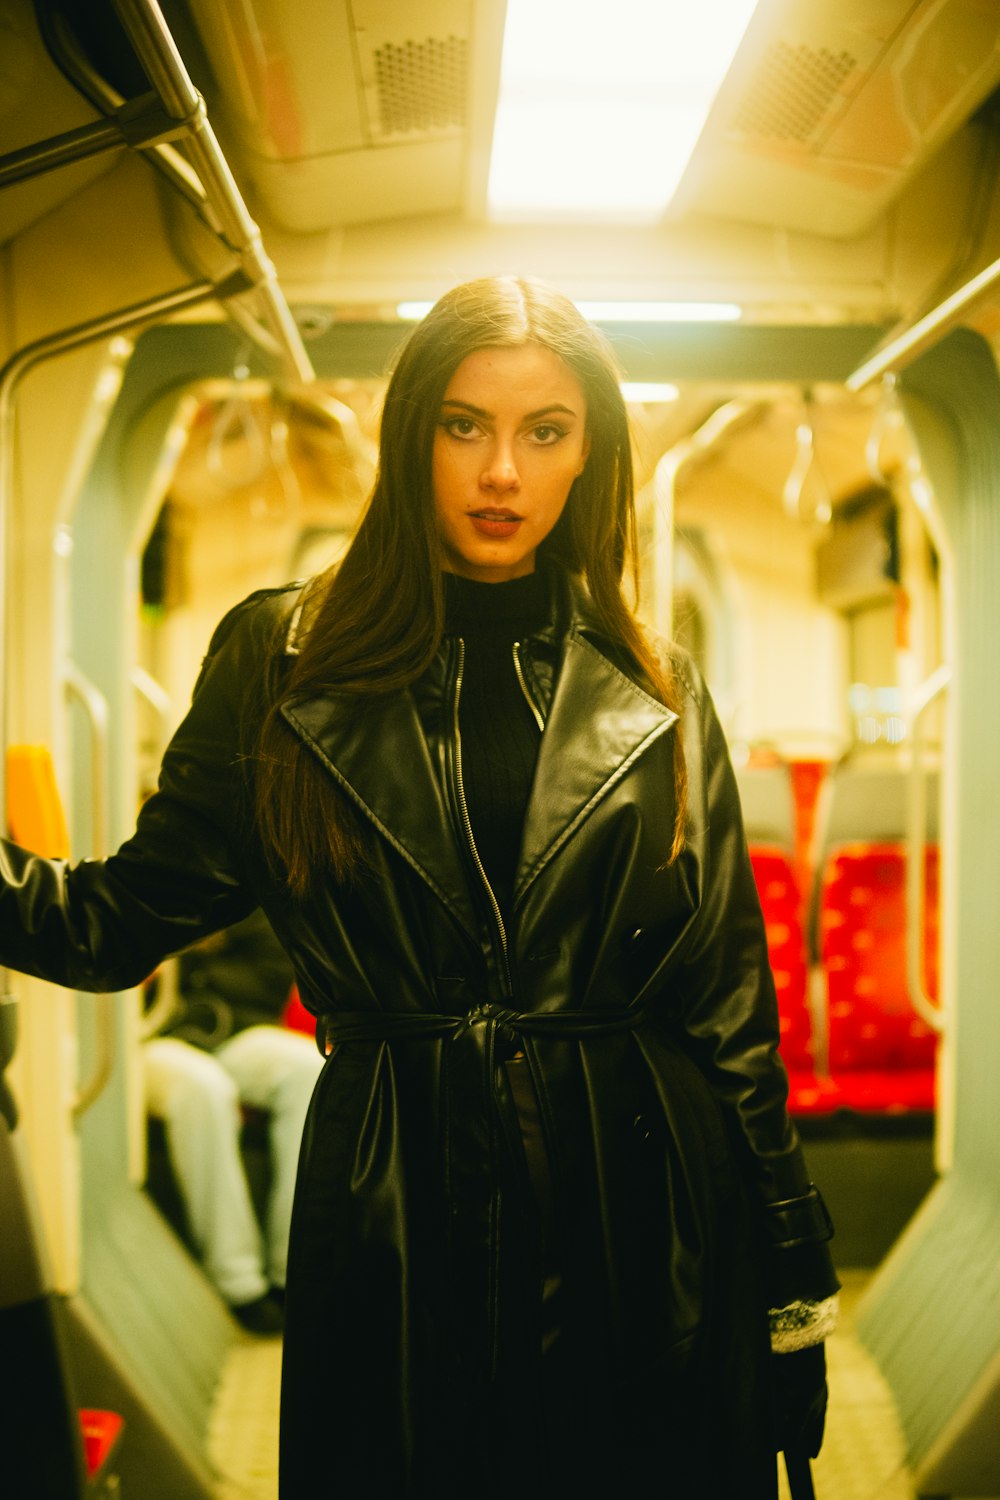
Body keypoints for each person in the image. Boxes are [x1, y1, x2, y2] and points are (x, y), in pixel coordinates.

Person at [0, 276, 838, 1498]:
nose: (501, 470)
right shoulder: (282, 662)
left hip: (639, 1190)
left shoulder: (656, 688)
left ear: (585, 456)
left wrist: (790, 1265)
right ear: (411, 441)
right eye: (464, 425)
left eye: (543, 432)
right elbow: (116, 921)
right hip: (396, 1180)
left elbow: (725, 1003)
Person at [143, 909, 322, 1334]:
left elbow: (271, 974)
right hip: (149, 1036)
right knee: (204, 1090)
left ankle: (289, 1274)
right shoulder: (152, 890)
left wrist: (184, 968)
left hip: (235, 1029)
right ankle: (237, 1281)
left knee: (309, 1071)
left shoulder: (248, 901)